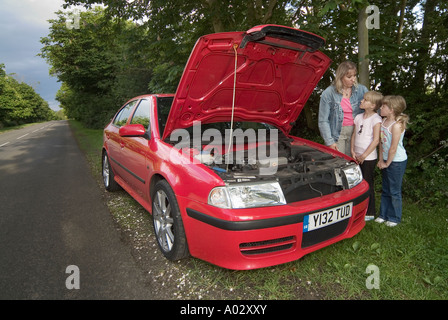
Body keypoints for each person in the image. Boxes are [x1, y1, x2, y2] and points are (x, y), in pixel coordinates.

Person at [319, 61, 368, 156]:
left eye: (354, 76)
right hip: (337, 134)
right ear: (340, 77)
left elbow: (373, 108)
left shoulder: (362, 90)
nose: (353, 79)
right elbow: (323, 121)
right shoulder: (329, 93)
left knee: (352, 164)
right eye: (349, 77)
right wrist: (329, 142)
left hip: (357, 132)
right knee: (338, 163)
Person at [376, 95, 409, 227]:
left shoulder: (396, 125)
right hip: (385, 159)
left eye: (383, 106)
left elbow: (393, 148)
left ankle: (394, 217)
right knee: (386, 188)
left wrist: (387, 163)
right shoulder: (383, 122)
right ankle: (383, 215)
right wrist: (380, 160)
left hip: (396, 161)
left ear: (392, 110)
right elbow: (381, 143)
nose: (381, 108)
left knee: (394, 190)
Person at [351, 91, 383, 221]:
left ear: (373, 105)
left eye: (365, 100)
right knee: (356, 184)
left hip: (368, 157)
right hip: (356, 155)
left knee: (367, 183)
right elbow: (354, 135)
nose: (361, 101)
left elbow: (376, 140)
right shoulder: (358, 117)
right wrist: (352, 151)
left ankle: (369, 212)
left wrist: (364, 155)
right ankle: (357, 210)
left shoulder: (376, 119)